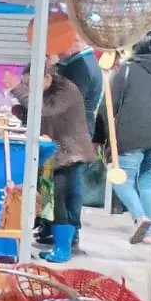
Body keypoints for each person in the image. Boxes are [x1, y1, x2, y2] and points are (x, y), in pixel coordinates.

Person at [13, 64, 91, 263]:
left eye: (30, 84)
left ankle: (63, 248)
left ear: (47, 77)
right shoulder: (53, 89)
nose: (29, 89)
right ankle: (63, 243)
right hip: (59, 151)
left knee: (60, 198)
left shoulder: (66, 90)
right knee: (58, 199)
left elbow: (46, 110)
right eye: (26, 85)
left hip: (68, 153)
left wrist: (17, 90)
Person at [38, 37, 104, 248]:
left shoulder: (80, 66)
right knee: (62, 184)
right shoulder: (81, 63)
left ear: (75, 40)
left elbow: (63, 101)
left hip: (73, 135)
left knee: (67, 186)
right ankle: (58, 228)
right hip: (74, 132)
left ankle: (69, 232)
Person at [104, 31, 151, 245]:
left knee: (119, 178)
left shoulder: (126, 70)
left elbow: (109, 105)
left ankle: (139, 217)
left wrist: (101, 136)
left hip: (130, 135)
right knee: (149, 183)